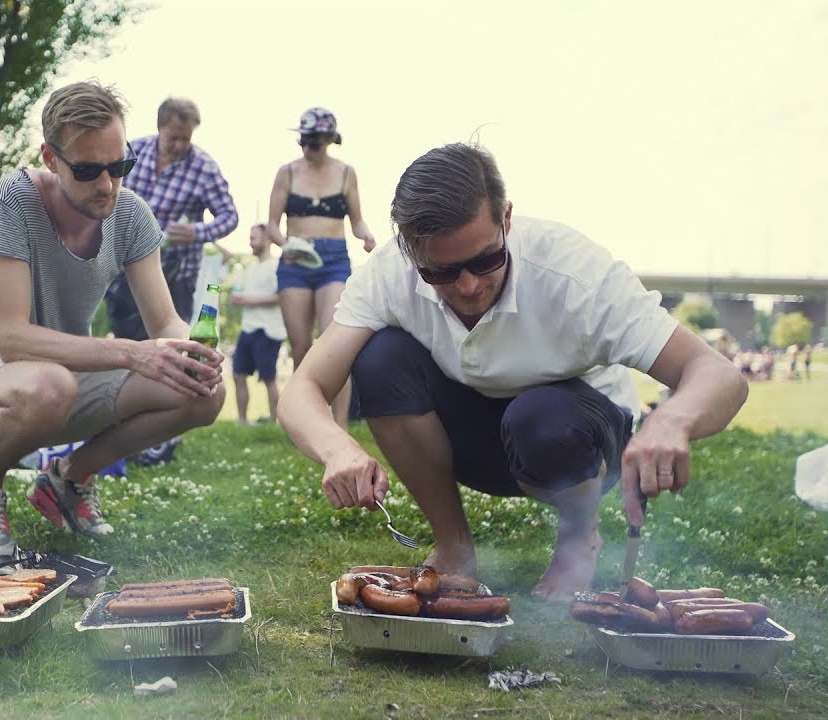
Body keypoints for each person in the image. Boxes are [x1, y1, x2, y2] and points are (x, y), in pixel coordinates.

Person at [278, 143, 748, 600]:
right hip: (475, 438)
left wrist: (672, 420)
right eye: (440, 272)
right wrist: (338, 449)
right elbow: (305, 386)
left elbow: (718, 374)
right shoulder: (387, 271)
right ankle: (455, 546)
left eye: (485, 260)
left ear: (506, 219)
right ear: (409, 248)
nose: (467, 286)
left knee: (540, 418)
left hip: (576, 440)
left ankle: (577, 538)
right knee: (379, 357)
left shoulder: (575, 273)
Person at [0, 81, 225, 571]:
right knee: (48, 383)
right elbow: (13, 339)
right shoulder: (11, 201)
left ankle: (68, 480)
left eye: (119, 166)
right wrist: (133, 353)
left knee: (202, 392)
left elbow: (165, 321)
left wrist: (194, 352)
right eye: (88, 170)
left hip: (60, 383)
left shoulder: (129, 214)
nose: (107, 184)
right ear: (50, 157)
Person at [266, 107, 376, 427]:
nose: (306, 148)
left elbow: (356, 222)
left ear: (330, 141)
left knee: (334, 341)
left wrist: (367, 236)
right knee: (301, 346)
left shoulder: (346, 173)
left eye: (314, 142)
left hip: (334, 261)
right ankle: (310, 423)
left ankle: (339, 426)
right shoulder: (287, 173)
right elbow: (273, 225)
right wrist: (286, 245)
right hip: (295, 260)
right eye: (303, 141)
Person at [106, 97, 239, 340]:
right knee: (125, 339)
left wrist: (197, 233)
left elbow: (230, 217)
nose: (179, 146)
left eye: (186, 139)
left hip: (176, 276)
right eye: (173, 138)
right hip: (126, 268)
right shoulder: (133, 153)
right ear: (160, 127)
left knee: (170, 342)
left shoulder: (204, 168)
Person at [230, 224, 286, 425]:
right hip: (248, 328)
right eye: (250, 237)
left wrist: (246, 300)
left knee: (268, 379)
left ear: (267, 239)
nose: (250, 241)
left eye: (254, 237)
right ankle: (242, 421)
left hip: (269, 331)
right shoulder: (250, 267)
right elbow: (243, 293)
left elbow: (280, 297)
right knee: (238, 374)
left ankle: (274, 422)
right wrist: (237, 299)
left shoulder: (277, 265)